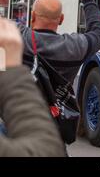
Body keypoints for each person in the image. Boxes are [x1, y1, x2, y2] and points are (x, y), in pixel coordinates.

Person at [20, 0, 100, 84]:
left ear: (33, 16)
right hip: (55, 101)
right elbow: (98, 34)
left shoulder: (18, 37)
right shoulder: (74, 47)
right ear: (61, 19)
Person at [0, 18, 65, 157]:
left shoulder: (26, 37)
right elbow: (47, 150)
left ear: (33, 16)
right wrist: (11, 66)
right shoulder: (77, 45)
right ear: (61, 19)